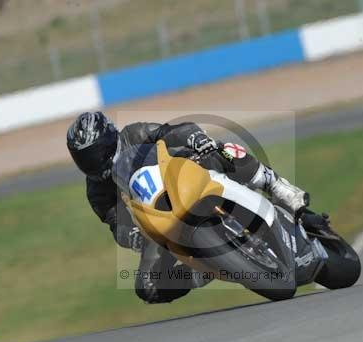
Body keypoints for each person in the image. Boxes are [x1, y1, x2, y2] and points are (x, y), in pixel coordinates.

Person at [66, 111, 323, 304]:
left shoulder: (134, 133)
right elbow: (116, 225)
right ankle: (198, 275)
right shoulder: (97, 191)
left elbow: (173, 130)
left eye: (96, 152)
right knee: (147, 287)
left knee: (222, 151)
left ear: (110, 138)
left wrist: (196, 139)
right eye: (85, 159)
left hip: (186, 174)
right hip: (157, 221)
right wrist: (132, 237)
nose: (94, 162)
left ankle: (276, 185)